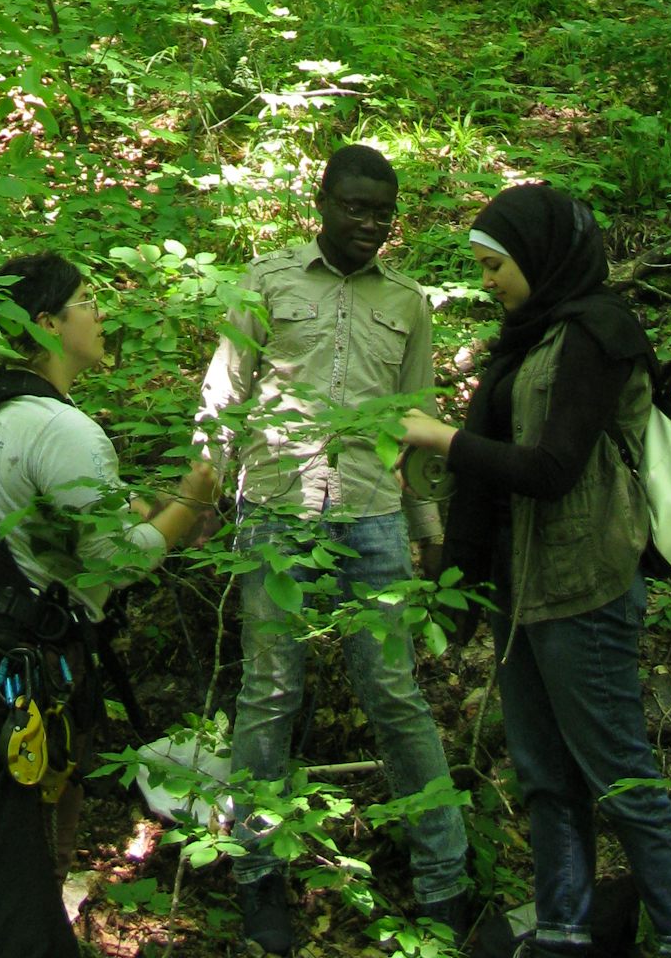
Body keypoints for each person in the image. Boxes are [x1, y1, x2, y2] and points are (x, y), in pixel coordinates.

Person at [400, 183, 671, 958]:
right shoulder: (527, 338)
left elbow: (552, 468)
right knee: (544, 772)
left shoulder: (596, 334)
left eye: (495, 266)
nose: (488, 282)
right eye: (480, 268)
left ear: (539, 256)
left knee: (620, 774)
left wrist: (442, 439)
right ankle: (565, 932)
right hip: (521, 585)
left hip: (585, 585)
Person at [198, 143, 471, 954]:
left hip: (373, 515)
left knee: (394, 693)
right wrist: (208, 492)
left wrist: (427, 533)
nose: (370, 224)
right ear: (322, 204)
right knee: (270, 693)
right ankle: (257, 880)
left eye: (383, 211)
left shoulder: (409, 302)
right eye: (355, 207)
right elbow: (224, 391)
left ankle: (444, 882)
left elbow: (418, 424)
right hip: (278, 511)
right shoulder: (269, 280)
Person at [0, 251, 216, 958]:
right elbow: (122, 557)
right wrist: (192, 500)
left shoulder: (3, 409)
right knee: (17, 858)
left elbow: (66, 529)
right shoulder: (61, 430)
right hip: (5, 663)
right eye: (86, 301)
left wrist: (150, 510)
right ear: (47, 324)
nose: (100, 313)